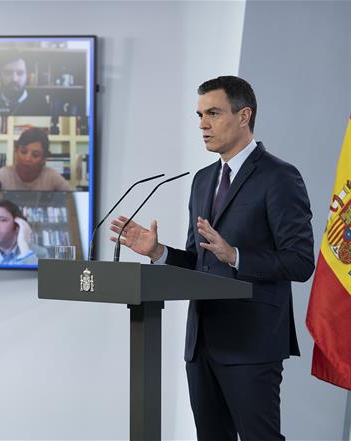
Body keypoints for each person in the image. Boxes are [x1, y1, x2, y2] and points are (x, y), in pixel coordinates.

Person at [110, 76, 314, 440]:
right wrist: (158, 252)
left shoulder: (279, 177)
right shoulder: (203, 180)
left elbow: (300, 262)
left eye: (213, 113)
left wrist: (236, 255)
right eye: (200, 115)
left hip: (252, 344)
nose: (203, 124)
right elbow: (198, 263)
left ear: (244, 116)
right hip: (202, 343)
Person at [0, 199, 48, 265]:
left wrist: (24, 247)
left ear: (17, 225)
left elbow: (40, 278)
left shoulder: (40, 253)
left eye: (2, 220)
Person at [0, 127, 72, 191]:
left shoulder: (51, 176)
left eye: (35, 155)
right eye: (23, 152)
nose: (27, 159)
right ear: (16, 151)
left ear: (43, 159)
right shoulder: (3, 175)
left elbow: (73, 199)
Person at [0, 51, 49, 115]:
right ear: (0, 75)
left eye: (20, 73)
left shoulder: (40, 102)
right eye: (8, 73)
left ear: (27, 75)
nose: (14, 79)